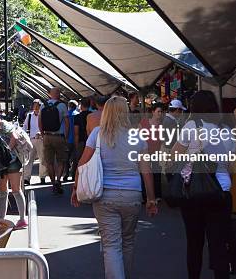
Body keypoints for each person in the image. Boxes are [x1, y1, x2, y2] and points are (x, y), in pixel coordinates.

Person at [71, 96, 158, 279]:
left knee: (111, 245)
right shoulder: (137, 136)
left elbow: (82, 164)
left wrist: (75, 188)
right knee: (128, 241)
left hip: (105, 196)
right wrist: (151, 198)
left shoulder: (97, 134)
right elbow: (146, 171)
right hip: (132, 196)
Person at [171, 91, 236, 279]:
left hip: (194, 192)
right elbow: (230, 166)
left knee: (194, 243)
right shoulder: (227, 130)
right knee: (219, 244)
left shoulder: (191, 126)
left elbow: (175, 155)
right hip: (221, 192)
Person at [39, 87, 70, 194]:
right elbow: (66, 122)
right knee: (61, 160)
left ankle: (53, 183)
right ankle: (58, 180)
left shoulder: (43, 106)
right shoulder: (62, 106)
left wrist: (43, 134)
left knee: (49, 161)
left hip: (47, 136)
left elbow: (40, 122)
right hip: (59, 136)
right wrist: (65, 136)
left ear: (49, 95)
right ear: (59, 94)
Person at [139, 102, 166, 200]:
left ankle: (157, 195)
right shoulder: (144, 122)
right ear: (153, 112)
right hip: (144, 152)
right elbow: (138, 136)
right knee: (144, 173)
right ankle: (144, 195)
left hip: (156, 152)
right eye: (158, 111)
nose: (160, 114)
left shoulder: (162, 126)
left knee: (156, 173)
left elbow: (163, 141)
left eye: (162, 112)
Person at [23, 99, 47, 185]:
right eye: (34, 105)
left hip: (41, 140)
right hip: (31, 139)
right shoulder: (29, 116)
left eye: (37, 105)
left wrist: (41, 133)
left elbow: (46, 127)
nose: (36, 107)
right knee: (29, 159)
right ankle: (26, 178)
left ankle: (42, 177)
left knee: (43, 159)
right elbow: (25, 127)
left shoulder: (44, 116)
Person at [73, 97, 91, 173]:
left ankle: (78, 176)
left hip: (81, 141)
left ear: (81, 105)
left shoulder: (77, 117)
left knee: (80, 160)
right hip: (91, 141)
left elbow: (76, 132)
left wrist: (76, 144)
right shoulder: (92, 115)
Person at [63, 100, 79, 182]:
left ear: (69, 106)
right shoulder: (78, 115)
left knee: (66, 159)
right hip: (76, 140)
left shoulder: (66, 115)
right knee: (75, 159)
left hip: (67, 139)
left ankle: (65, 174)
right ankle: (73, 175)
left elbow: (65, 127)